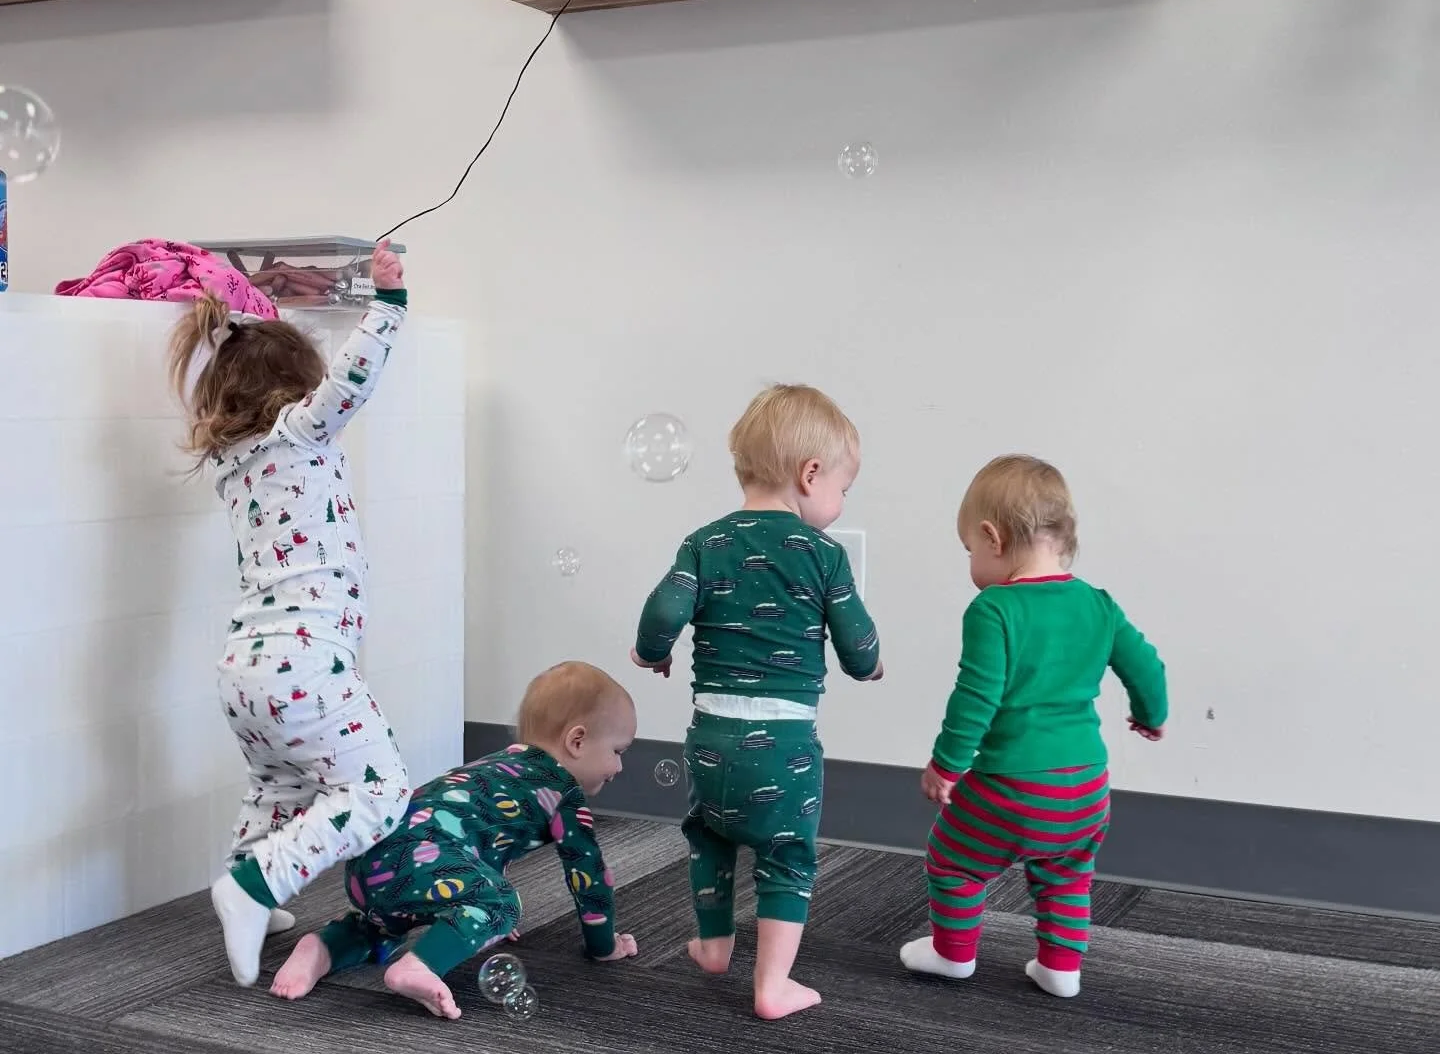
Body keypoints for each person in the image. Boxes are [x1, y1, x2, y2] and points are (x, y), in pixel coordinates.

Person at [167, 240, 412, 988]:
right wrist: (388, 306)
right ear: (293, 393)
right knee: (381, 792)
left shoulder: (230, 464)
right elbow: (352, 384)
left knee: (279, 786)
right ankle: (250, 887)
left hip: (247, 668)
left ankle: (252, 880)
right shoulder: (299, 434)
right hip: (303, 661)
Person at [631, 383, 883, 1021]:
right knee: (787, 851)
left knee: (709, 835)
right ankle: (773, 984)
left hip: (710, 736)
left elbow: (665, 608)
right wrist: (872, 664)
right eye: (844, 487)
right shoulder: (825, 556)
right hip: (786, 748)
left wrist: (651, 652)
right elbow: (858, 647)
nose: (841, 500)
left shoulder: (704, 541)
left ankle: (714, 947)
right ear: (811, 473)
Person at [899, 454, 1167, 999]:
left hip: (1011, 785)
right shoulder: (1098, 604)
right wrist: (1149, 715)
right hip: (1088, 785)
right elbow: (1147, 668)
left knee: (952, 858)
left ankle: (953, 954)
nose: (971, 561)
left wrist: (946, 765)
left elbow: (976, 697)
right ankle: (1061, 968)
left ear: (993, 538)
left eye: (969, 549)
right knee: (1067, 874)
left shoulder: (994, 609)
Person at [270, 661, 640, 1018]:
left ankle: (323, 947)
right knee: (502, 905)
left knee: (385, 923)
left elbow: (481, 840)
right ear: (577, 740)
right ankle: (419, 966)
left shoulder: (499, 764)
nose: (620, 768)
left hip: (368, 866)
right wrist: (603, 945)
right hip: (421, 863)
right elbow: (589, 877)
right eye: (617, 752)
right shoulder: (562, 792)